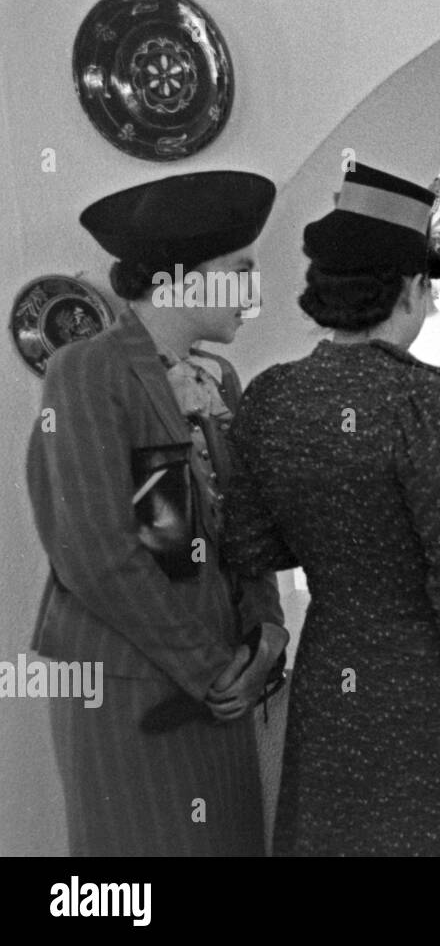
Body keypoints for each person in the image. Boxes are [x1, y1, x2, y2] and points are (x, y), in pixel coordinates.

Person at [224, 163, 440, 856]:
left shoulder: (271, 397)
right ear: (409, 289)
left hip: (332, 674)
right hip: (427, 690)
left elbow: (249, 546)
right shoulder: (422, 405)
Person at [27, 170, 288, 856]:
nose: (254, 294)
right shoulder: (86, 371)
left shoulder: (217, 381)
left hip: (221, 684)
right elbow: (95, 551)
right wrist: (208, 667)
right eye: (240, 271)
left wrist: (264, 631)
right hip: (133, 685)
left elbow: (243, 527)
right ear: (181, 278)